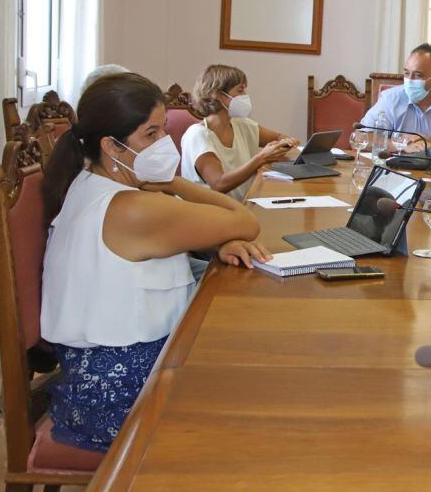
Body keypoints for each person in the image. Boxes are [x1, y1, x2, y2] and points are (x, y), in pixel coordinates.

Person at [40, 72, 271, 453]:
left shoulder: (89, 181)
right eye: (151, 134)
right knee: (254, 394)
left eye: (164, 129)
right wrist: (169, 182)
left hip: (91, 373)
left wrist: (212, 240)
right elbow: (246, 222)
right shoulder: (132, 208)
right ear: (111, 147)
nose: (164, 142)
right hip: (121, 393)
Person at [181, 65, 300, 201]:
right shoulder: (197, 135)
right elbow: (219, 184)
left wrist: (285, 143)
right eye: (240, 90)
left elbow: (279, 137)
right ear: (218, 95)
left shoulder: (241, 124)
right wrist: (261, 158)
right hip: (210, 213)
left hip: (242, 206)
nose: (245, 96)